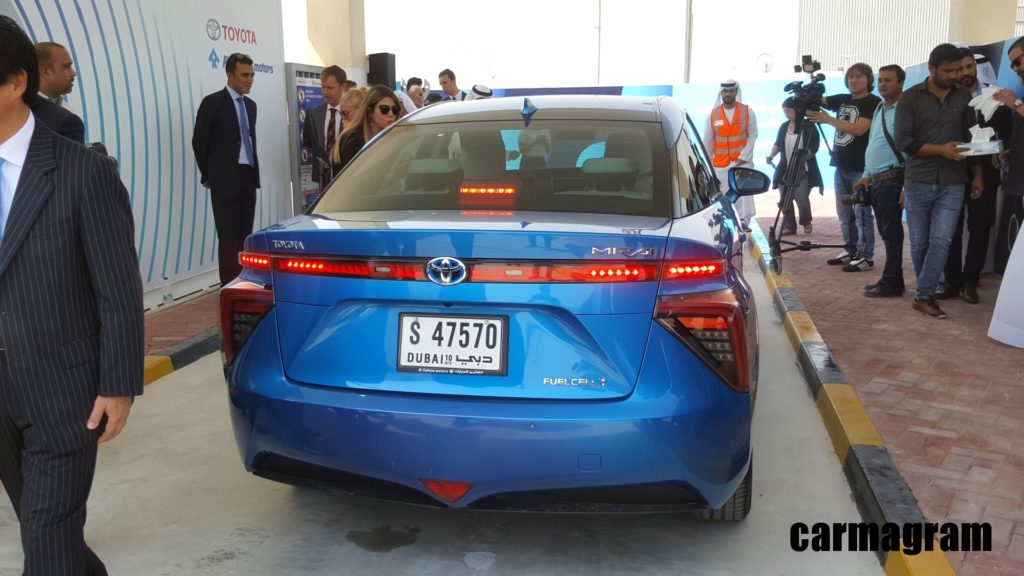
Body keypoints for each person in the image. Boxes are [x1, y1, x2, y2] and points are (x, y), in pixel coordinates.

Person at [0, 16, 144, 575]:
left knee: (48, 542)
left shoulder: (83, 173)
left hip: (63, 391)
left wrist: (119, 384)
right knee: (42, 528)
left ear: (14, 83)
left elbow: (118, 289)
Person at [894, 43, 984, 319]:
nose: (956, 75)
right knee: (920, 243)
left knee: (942, 240)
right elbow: (903, 141)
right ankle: (927, 293)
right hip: (918, 179)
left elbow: (971, 137)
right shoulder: (909, 99)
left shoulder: (964, 97)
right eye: (949, 71)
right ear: (932, 69)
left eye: (958, 69)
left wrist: (978, 175)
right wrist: (942, 149)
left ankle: (923, 296)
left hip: (954, 181)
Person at [935, 48, 1003, 304]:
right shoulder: (947, 97)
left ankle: (970, 281)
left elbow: (999, 135)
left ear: (976, 68)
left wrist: (991, 152)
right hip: (954, 171)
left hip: (986, 172)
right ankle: (952, 280)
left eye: (968, 67)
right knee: (950, 228)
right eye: (958, 68)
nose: (964, 73)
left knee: (979, 226)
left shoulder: (995, 95)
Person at [192, 53, 260, 286]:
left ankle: (245, 280)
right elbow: (200, 141)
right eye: (244, 75)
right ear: (230, 75)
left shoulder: (251, 106)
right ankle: (229, 286)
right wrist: (209, 175)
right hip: (224, 180)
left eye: (251, 75)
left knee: (245, 234)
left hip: (248, 176)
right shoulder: (213, 103)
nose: (249, 80)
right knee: (228, 237)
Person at [808, 63, 882, 272]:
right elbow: (818, 101)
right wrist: (810, 93)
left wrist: (828, 119)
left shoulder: (874, 102)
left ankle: (866, 256)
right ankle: (850, 249)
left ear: (869, 79)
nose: (854, 80)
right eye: (850, 77)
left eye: (859, 76)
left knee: (862, 214)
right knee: (845, 214)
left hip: (862, 168)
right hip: (841, 166)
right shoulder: (843, 99)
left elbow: (860, 129)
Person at [854, 65, 908, 298]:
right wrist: (866, 174)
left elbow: (911, 150)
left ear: (900, 83)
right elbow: (874, 143)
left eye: (889, 80)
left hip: (893, 179)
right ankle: (891, 278)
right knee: (886, 231)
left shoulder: (906, 109)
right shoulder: (879, 107)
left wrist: (907, 185)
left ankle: (893, 281)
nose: (883, 84)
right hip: (876, 180)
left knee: (891, 232)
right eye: (881, 80)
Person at [989, 37, 1024, 347]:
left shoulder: (1017, 100)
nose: (1016, 67)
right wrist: (1010, 153)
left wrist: (1014, 103)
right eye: (1012, 63)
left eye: (1020, 60)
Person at [703, 79, 757, 231]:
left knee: (744, 196)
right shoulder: (713, 115)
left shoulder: (747, 111)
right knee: (723, 196)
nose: (728, 94)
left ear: (736, 92)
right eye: (725, 91)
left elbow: (753, 135)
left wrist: (743, 157)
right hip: (720, 164)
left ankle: (744, 223)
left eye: (731, 91)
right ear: (721, 93)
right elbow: (708, 141)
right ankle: (727, 223)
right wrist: (708, 165)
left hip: (742, 162)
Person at [766, 97, 821, 236]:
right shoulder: (784, 126)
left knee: (801, 198)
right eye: (784, 112)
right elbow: (778, 143)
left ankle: (806, 221)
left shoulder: (809, 127)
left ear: (797, 110)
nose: (786, 114)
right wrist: (771, 155)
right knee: (785, 198)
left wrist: (801, 160)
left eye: (788, 111)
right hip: (784, 169)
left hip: (803, 169)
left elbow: (813, 148)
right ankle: (790, 226)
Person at [329, 85, 402, 171]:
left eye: (395, 109)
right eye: (384, 109)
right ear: (370, 112)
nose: (391, 114)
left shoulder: (397, 138)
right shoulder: (354, 140)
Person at [302, 65, 347, 189]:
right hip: (323, 178)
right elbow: (309, 141)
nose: (325, 92)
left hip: (348, 176)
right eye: (323, 87)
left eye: (330, 88)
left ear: (343, 87)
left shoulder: (354, 113)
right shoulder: (313, 113)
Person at [31, 42, 84, 143]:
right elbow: (74, 158)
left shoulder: (60, 105)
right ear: (46, 71)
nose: (73, 73)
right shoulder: (64, 121)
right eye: (66, 66)